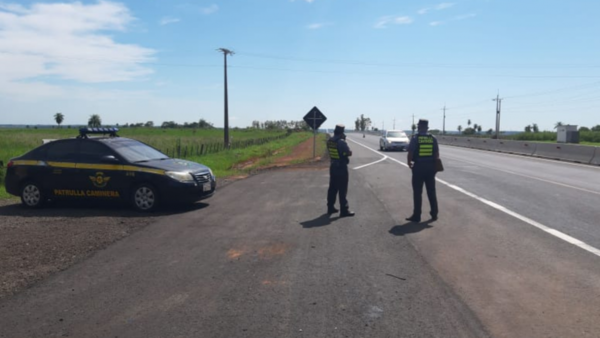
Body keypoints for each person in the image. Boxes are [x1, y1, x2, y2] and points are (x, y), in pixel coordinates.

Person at [406, 119, 439, 222]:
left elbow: (410, 153)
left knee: (417, 192)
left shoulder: (415, 138)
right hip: (430, 168)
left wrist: (409, 163)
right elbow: (436, 154)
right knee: (431, 191)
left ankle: (417, 216)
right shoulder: (433, 138)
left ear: (419, 127)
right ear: (427, 127)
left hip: (419, 168)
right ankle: (434, 214)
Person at [327, 124, 355, 217]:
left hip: (333, 167)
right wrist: (344, 142)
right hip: (341, 168)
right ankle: (344, 210)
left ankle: (330, 207)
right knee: (342, 190)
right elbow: (348, 152)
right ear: (342, 132)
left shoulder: (330, 140)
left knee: (332, 188)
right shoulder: (341, 142)